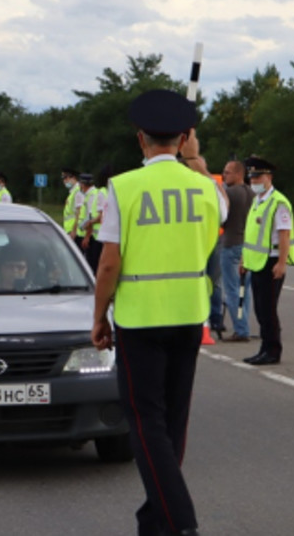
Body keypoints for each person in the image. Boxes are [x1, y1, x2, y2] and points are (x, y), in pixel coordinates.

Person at [92, 89, 227, 536]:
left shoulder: (125, 187)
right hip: (189, 316)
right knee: (173, 421)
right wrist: (198, 162)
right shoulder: (207, 188)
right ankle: (156, 520)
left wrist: (99, 316)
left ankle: (179, 522)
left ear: (140, 140)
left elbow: (109, 262)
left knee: (146, 421)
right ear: (186, 138)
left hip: (140, 319)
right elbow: (215, 219)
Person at [241, 156, 294, 365]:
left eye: (258, 177)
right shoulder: (257, 202)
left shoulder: (279, 202)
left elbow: (284, 234)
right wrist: (244, 261)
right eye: (252, 178)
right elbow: (252, 235)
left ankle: (272, 350)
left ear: (269, 177)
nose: (254, 181)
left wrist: (281, 263)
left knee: (268, 309)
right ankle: (265, 348)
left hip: (271, 261)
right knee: (260, 309)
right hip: (257, 262)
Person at [220, 159, 255, 342]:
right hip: (247, 246)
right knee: (244, 290)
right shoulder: (251, 193)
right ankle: (244, 326)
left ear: (239, 174)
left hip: (231, 243)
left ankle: (241, 330)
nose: (224, 175)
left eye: (227, 172)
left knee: (232, 289)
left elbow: (221, 217)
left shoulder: (229, 193)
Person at [61, 168, 80, 235]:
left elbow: (79, 212)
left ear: (73, 177)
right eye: (63, 178)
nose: (64, 180)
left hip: (74, 231)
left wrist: (74, 231)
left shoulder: (78, 191)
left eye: (65, 177)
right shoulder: (73, 192)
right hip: (69, 230)